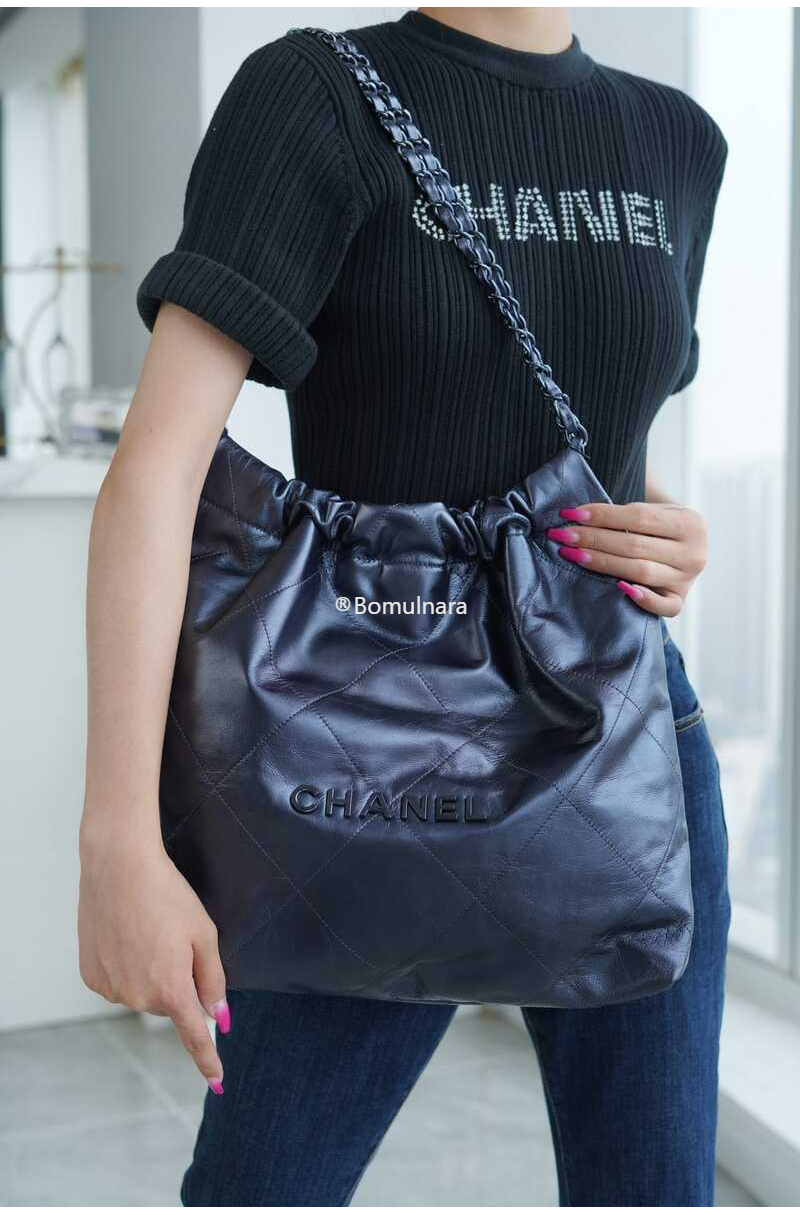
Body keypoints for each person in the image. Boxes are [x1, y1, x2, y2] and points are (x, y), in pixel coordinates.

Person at [78, 7, 730, 1206]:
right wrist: (119, 838)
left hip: (625, 738)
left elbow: (597, 441)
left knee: (650, 1188)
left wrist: (664, 532)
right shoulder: (317, 93)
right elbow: (159, 469)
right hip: (355, 752)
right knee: (264, 1189)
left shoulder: (677, 139)